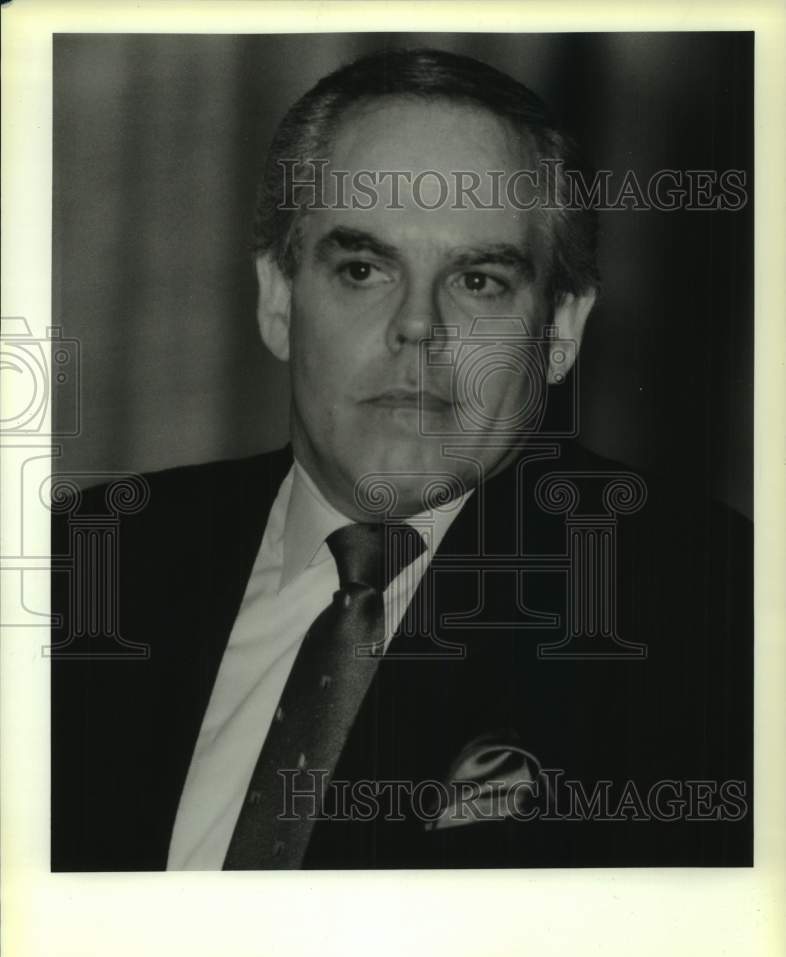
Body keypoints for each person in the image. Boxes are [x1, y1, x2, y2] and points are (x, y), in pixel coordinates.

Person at [51, 48, 751, 884]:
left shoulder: (711, 613)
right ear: (278, 300)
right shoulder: (84, 564)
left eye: (481, 280)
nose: (418, 326)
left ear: (560, 331)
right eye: (362, 269)